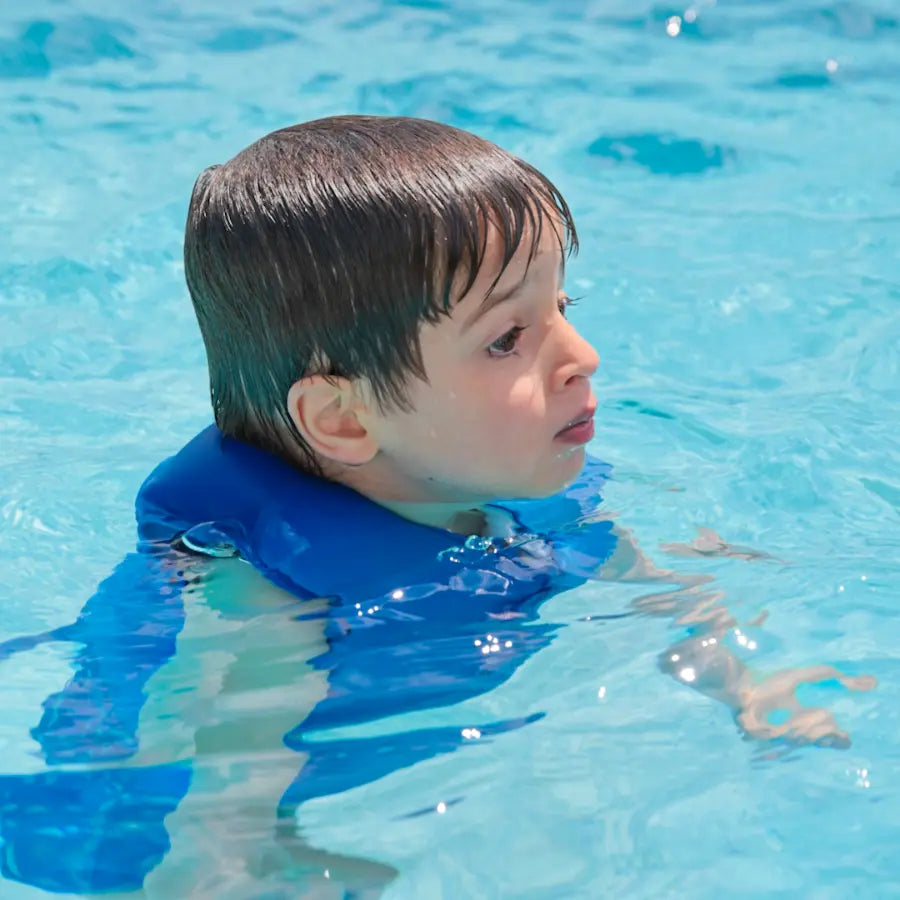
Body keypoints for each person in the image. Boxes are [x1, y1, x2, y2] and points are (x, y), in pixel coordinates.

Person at [0, 117, 875, 897]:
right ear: (343, 417)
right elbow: (225, 764)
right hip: (144, 803)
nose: (584, 357)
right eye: (507, 338)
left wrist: (748, 687)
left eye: (563, 308)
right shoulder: (260, 594)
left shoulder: (514, 487)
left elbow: (649, 583)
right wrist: (233, 858)